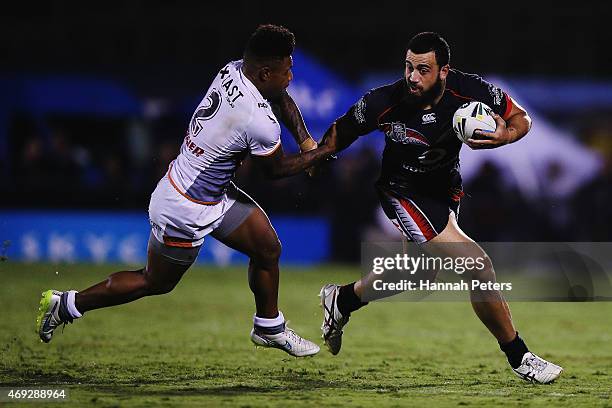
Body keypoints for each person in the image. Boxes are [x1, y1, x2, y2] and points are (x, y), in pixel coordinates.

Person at [36, 24, 337, 357]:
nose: (292, 76)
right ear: (265, 72)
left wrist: (306, 141)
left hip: (211, 193)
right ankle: (67, 304)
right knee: (156, 282)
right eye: (287, 70)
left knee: (267, 249)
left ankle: (269, 327)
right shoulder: (256, 119)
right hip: (185, 206)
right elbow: (274, 170)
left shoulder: (234, 69)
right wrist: (324, 151)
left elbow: (277, 95)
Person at [318, 32, 563, 382]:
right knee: (477, 266)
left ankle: (342, 300)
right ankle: (520, 357)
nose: (412, 77)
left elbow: (520, 117)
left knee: (419, 274)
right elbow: (340, 132)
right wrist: (311, 157)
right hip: (402, 191)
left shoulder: (470, 90)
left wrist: (506, 135)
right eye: (408, 67)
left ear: (444, 71)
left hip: (444, 189)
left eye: (423, 69)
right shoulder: (384, 100)